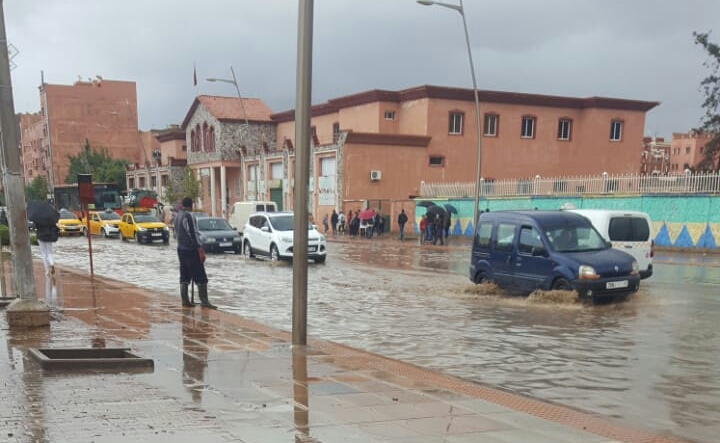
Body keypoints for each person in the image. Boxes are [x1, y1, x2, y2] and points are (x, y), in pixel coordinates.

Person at [174, 197, 216, 309]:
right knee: (201, 276)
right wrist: (200, 248)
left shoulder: (178, 216)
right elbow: (193, 233)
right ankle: (204, 301)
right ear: (191, 205)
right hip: (191, 250)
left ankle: (185, 300)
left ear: (183, 205)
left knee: (184, 275)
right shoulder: (189, 216)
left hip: (181, 249)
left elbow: (176, 234)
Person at [34, 205, 60, 276]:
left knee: (43, 254)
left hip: (40, 237)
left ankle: (47, 271)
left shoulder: (38, 218)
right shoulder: (51, 217)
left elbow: (36, 227)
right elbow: (54, 226)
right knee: (49, 253)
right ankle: (52, 264)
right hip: (49, 237)